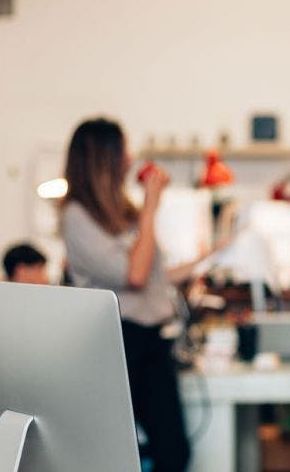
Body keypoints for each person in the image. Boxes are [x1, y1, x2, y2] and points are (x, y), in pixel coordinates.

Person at [59, 118, 191, 472]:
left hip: (150, 341)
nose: (130, 159)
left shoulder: (123, 214)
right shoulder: (77, 216)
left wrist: (210, 256)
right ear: (104, 158)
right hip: (115, 342)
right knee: (117, 455)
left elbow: (153, 275)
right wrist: (150, 207)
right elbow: (134, 274)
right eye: (123, 150)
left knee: (174, 450)